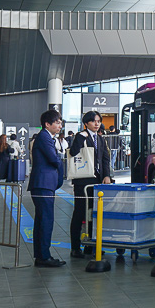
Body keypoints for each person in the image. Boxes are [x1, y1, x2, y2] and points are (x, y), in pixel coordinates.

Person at [67, 111, 113, 260]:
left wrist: (106, 175)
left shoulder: (100, 139)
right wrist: (80, 137)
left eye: (98, 121)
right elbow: (73, 152)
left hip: (97, 181)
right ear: (86, 123)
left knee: (94, 213)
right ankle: (75, 247)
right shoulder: (80, 137)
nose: (97, 124)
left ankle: (90, 246)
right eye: (93, 121)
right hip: (82, 181)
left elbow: (105, 159)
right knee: (79, 213)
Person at [29, 110, 66, 267]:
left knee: (42, 220)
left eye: (60, 123)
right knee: (46, 220)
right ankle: (44, 257)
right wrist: (60, 163)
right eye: (57, 123)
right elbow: (53, 159)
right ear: (47, 124)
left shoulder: (47, 137)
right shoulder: (44, 137)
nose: (60, 126)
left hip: (44, 184)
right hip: (43, 184)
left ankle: (41, 255)